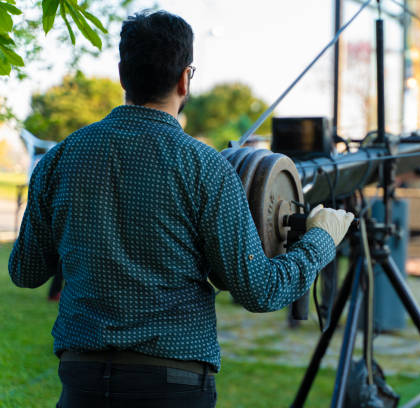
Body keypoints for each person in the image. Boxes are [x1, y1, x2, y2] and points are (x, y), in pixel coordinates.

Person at [8, 10, 353, 408]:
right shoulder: (206, 168)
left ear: (123, 74)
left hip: (82, 380)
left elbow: (25, 271)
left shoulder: (60, 158)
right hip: (173, 385)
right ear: (185, 78)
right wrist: (321, 240)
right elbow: (261, 290)